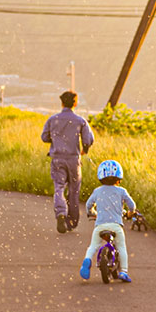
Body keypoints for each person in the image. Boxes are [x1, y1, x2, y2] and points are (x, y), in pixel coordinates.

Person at [41, 90, 94, 233]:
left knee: (59, 187)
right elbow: (88, 140)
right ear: (75, 103)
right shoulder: (81, 121)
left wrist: (56, 139)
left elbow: (44, 137)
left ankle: (60, 213)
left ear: (62, 102)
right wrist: (85, 150)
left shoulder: (53, 120)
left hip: (57, 158)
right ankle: (72, 221)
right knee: (74, 191)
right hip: (74, 159)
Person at [80, 159, 136, 283]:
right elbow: (132, 205)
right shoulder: (121, 191)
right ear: (118, 178)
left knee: (93, 246)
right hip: (116, 226)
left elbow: (89, 205)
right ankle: (124, 272)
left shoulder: (97, 191)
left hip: (100, 225)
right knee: (121, 247)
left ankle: (87, 260)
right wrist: (130, 212)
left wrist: (91, 213)